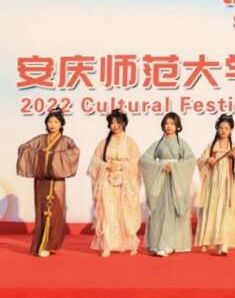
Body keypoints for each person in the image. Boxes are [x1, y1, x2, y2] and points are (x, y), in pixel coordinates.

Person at [16, 107, 80, 257]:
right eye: (50, 121)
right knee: (41, 211)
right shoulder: (40, 139)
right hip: (42, 181)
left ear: (61, 124)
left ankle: (50, 244)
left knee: (56, 211)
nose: (52, 125)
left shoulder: (66, 141)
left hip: (57, 181)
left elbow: (74, 152)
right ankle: (41, 244)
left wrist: (53, 156)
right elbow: (23, 148)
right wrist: (41, 155)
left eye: (56, 122)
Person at [139, 112, 195, 257]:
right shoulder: (159, 143)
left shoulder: (181, 144)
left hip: (176, 182)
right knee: (159, 211)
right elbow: (144, 160)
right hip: (161, 180)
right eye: (166, 123)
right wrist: (160, 166)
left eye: (172, 124)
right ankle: (157, 244)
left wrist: (175, 167)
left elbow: (190, 161)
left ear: (177, 126)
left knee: (173, 211)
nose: (168, 126)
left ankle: (169, 244)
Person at [87, 108, 142, 257]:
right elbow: (95, 162)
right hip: (107, 181)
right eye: (112, 123)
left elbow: (136, 162)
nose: (115, 126)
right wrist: (105, 166)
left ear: (124, 123)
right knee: (108, 212)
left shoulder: (130, 142)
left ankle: (130, 243)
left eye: (118, 123)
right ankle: (107, 245)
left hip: (125, 182)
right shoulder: (104, 143)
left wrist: (121, 166)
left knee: (125, 211)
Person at [195, 114, 235, 255]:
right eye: (221, 127)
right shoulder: (211, 147)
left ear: (231, 130)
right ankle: (211, 241)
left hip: (227, 185)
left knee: (225, 212)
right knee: (213, 210)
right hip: (213, 185)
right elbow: (201, 161)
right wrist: (208, 161)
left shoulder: (234, 147)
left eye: (226, 128)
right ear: (217, 129)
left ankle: (223, 244)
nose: (223, 130)